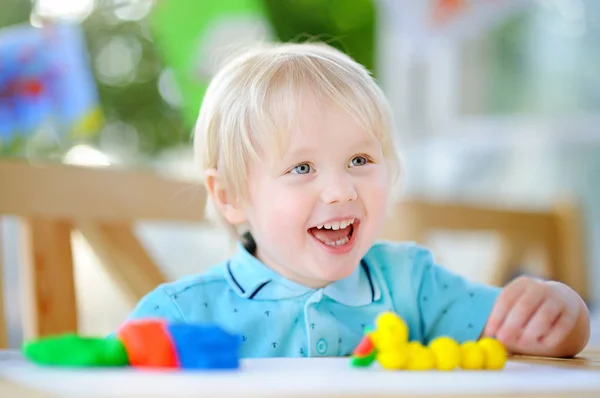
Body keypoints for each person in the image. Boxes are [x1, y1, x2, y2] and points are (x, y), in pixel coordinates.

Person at [121, 42, 590, 359]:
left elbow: (522, 333)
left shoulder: (412, 286)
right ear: (230, 197)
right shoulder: (181, 315)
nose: (341, 190)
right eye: (302, 168)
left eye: (361, 159)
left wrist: (562, 315)